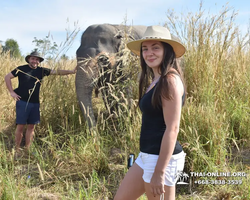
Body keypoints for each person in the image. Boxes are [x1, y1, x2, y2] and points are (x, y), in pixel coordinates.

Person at [114, 26, 187, 200]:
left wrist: (160, 172)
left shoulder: (169, 80)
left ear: (166, 50)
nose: (149, 53)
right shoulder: (156, 79)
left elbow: (172, 128)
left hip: (162, 161)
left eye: (155, 47)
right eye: (145, 49)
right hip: (147, 155)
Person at [5, 50, 76, 157]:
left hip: (35, 103)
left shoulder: (42, 71)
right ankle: (17, 150)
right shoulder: (21, 69)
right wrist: (12, 92)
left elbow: (56, 72)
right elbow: (7, 77)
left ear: (39, 61)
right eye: (33, 58)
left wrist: (71, 71)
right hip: (22, 102)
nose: (35, 61)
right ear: (29, 59)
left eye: (37, 59)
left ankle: (28, 150)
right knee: (20, 126)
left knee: (31, 127)